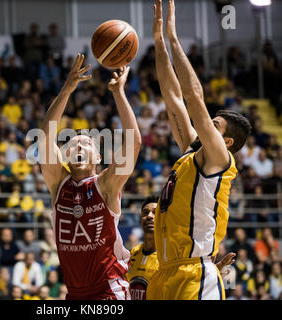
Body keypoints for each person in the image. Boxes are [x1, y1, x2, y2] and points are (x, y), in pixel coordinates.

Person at [146, 0, 251, 300]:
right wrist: (158, 43)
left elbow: (192, 96)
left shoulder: (219, 158)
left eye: (214, 125)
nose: (205, 125)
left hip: (195, 274)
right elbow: (172, 96)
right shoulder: (192, 153)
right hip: (164, 272)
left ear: (227, 141)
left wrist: (174, 37)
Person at [39, 53, 141, 300]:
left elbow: (134, 142)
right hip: (74, 294)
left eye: (87, 144)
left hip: (109, 290)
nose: (79, 147)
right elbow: (44, 138)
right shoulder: (58, 184)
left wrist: (118, 93)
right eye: (73, 145)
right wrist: (67, 89)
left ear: (97, 158)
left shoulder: (105, 185)